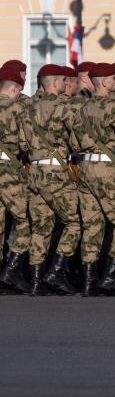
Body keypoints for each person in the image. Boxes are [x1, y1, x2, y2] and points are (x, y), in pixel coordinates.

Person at [22, 65, 82, 296]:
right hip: (56, 172)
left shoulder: (27, 108)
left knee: (41, 225)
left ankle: (37, 280)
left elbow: (20, 142)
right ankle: (56, 271)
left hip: (35, 171)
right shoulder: (64, 107)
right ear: (57, 83)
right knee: (74, 223)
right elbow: (79, 141)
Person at [71, 62, 115, 296]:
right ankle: (111, 274)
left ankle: (88, 281)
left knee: (91, 225)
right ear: (104, 82)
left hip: (86, 167)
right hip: (109, 168)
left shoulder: (82, 108)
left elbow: (74, 143)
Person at [0, 67, 31, 294]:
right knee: (25, 220)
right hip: (9, 168)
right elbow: (25, 143)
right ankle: (11, 270)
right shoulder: (18, 107)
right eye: (19, 90)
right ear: (13, 88)